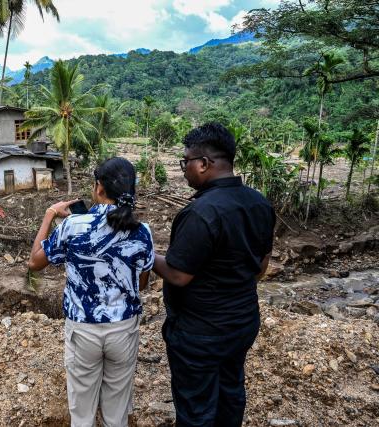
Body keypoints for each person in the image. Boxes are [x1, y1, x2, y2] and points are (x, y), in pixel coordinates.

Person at [152, 123, 275, 427]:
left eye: (185, 162)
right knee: (231, 391)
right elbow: (261, 268)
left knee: (196, 408)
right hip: (242, 322)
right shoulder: (260, 203)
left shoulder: (201, 213)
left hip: (200, 332)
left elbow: (179, 276)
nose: (183, 169)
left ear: (204, 164)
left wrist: (145, 254)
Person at [28, 157, 155, 427]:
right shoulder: (143, 232)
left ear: (99, 188)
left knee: (82, 412)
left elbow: (35, 262)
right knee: (117, 411)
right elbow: (141, 284)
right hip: (123, 329)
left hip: (83, 329)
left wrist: (50, 214)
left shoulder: (74, 225)